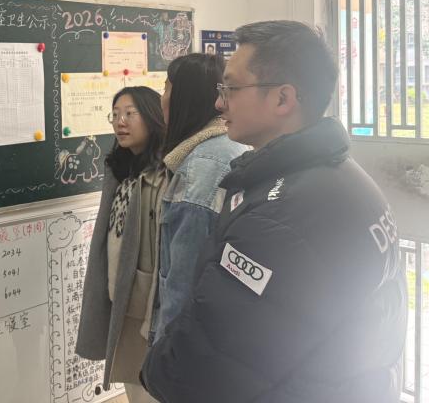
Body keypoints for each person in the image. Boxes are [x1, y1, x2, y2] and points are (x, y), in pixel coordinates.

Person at [142, 21, 406, 403]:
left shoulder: (279, 216)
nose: (219, 104)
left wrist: (154, 370)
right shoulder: (343, 176)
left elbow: (202, 368)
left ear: (283, 99)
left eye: (231, 88)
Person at [148, 53, 247, 343]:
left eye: (166, 88)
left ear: (184, 99)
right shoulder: (231, 147)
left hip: (193, 343)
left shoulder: (202, 168)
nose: (162, 99)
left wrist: (164, 356)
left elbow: (183, 287)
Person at [76, 86, 166, 403]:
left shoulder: (164, 173)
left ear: (152, 116)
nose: (120, 122)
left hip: (145, 305)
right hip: (119, 296)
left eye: (129, 113)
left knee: (148, 387)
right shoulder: (119, 170)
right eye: (115, 115)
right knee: (131, 385)